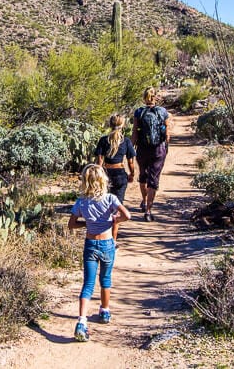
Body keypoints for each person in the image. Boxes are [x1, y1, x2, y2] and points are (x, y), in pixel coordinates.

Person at [68, 164, 131, 342]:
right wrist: (113, 220)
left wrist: (86, 224)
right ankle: (105, 311)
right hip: (107, 243)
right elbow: (127, 215)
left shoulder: (81, 201)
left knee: (88, 283)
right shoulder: (110, 199)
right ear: (103, 180)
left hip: (90, 244)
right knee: (106, 279)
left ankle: (81, 321)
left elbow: (71, 224)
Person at [131, 87, 172, 222]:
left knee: (143, 176)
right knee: (153, 179)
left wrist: (131, 148)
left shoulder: (139, 112)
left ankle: (143, 201)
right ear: (156, 97)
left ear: (144, 97)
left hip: (142, 149)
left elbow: (135, 133)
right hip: (158, 150)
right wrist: (165, 147)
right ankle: (148, 211)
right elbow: (167, 133)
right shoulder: (163, 111)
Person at [94, 113, 135, 241]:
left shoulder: (103, 140)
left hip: (106, 175)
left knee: (103, 205)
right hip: (120, 175)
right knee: (117, 208)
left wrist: (98, 176)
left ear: (110, 125)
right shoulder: (126, 141)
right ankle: (113, 240)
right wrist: (132, 174)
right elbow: (130, 161)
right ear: (123, 125)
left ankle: (102, 236)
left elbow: (99, 161)